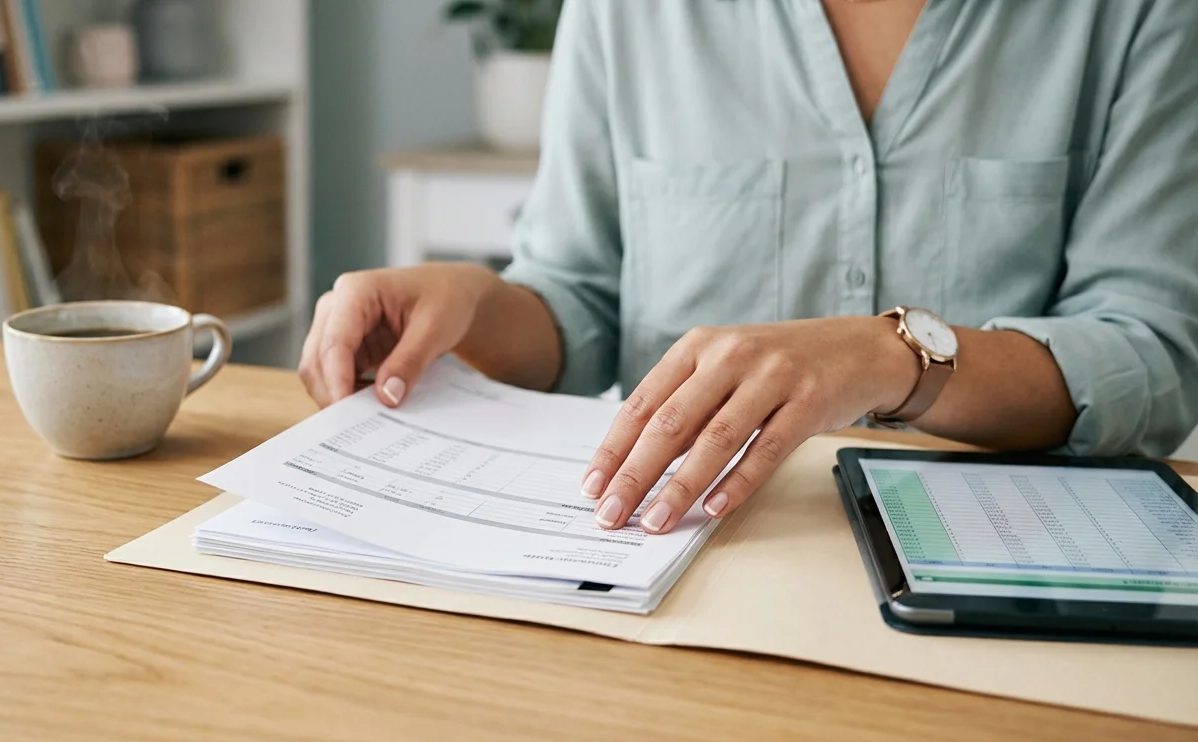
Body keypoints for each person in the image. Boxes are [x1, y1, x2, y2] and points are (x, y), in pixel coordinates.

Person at [300, 0, 1198, 536]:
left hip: (999, 555)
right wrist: (474, 302)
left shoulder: (1138, 17)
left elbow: (1151, 359)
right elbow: (581, 302)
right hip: (682, 551)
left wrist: (895, 357)